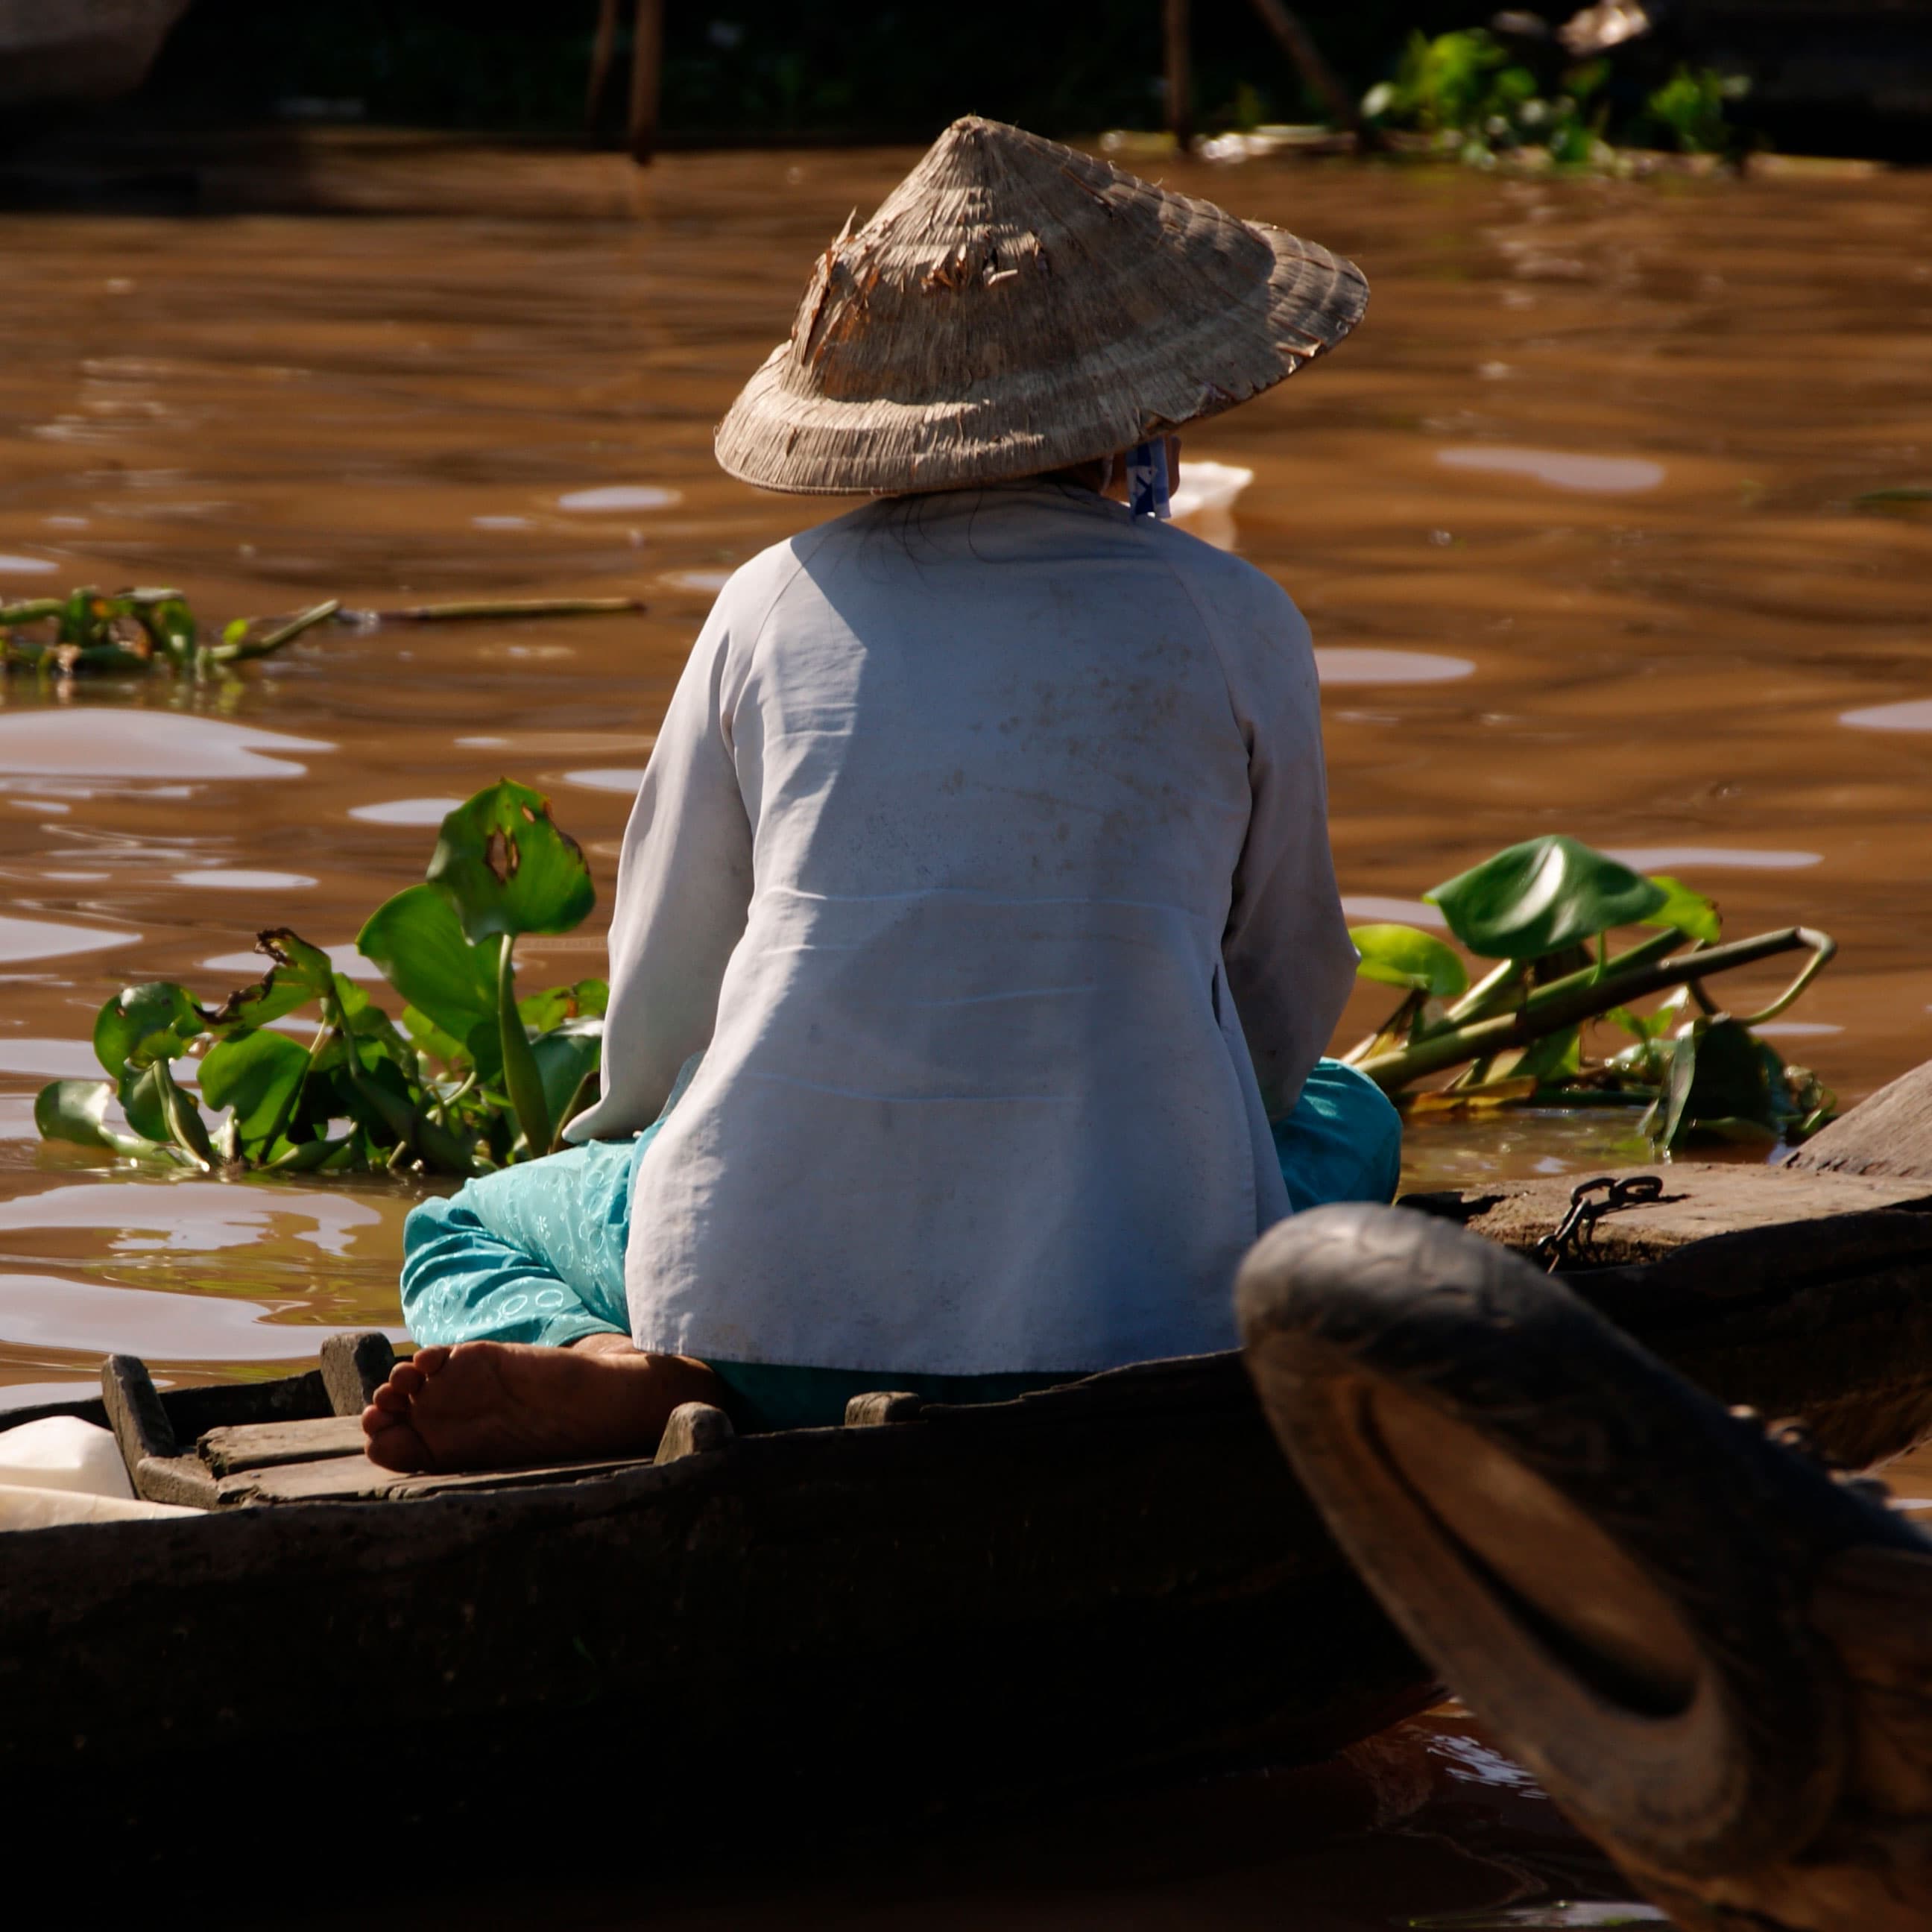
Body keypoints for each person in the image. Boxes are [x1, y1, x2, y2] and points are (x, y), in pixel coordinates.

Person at [362, 116, 1400, 1475]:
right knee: (1351, 1118)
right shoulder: (1236, 616)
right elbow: (1285, 981)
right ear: (1142, 419)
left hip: (758, 1307)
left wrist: (652, 1162)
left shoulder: (763, 605)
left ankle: (619, 1358)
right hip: (1132, 1318)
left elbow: (672, 979)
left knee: (466, 1228)